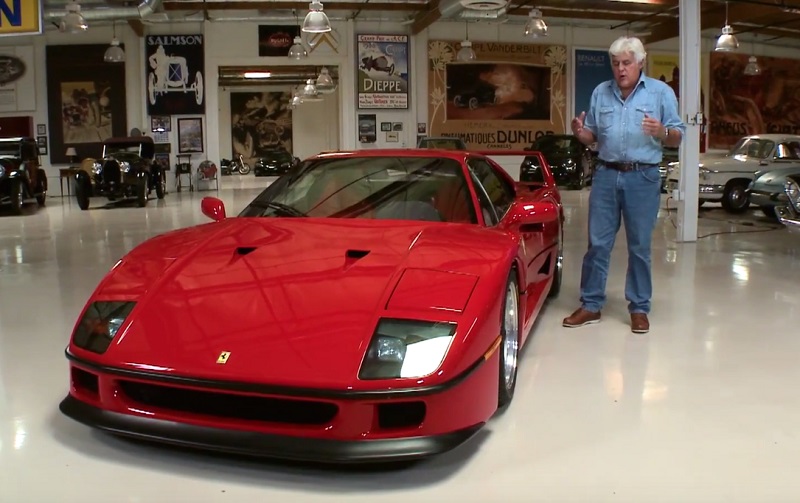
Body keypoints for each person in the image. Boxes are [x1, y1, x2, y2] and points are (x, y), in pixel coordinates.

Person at [563, 36, 685, 334]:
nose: (621, 69)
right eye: (616, 63)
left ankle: (639, 308)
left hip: (643, 177)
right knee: (597, 244)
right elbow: (592, 136)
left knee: (640, 246)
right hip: (605, 175)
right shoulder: (600, 93)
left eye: (627, 63)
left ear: (641, 63)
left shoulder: (660, 93)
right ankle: (591, 304)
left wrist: (662, 131)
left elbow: (678, 136)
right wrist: (581, 134)